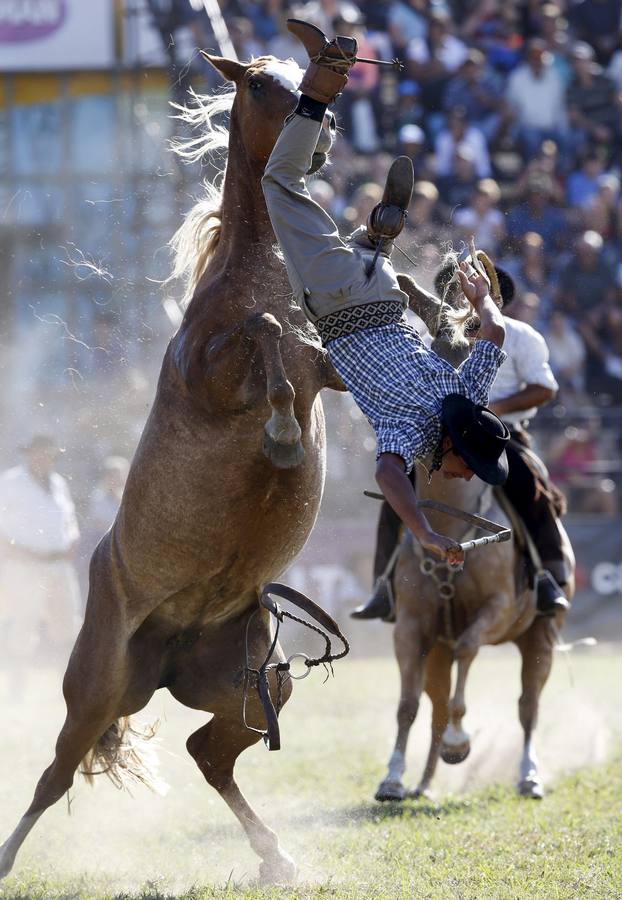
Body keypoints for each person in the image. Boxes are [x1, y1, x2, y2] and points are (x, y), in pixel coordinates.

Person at [262, 19, 509, 569]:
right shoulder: (412, 428)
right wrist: (421, 530)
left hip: (385, 287)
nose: (466, 473)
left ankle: (375, 236)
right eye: (470, 464)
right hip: (340, 300)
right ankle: (322, 85)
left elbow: (494, 331)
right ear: (453, 446)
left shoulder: (469, 393)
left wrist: (478, 296)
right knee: (279, 181)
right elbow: (386, 474)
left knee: (357, 252)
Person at [352, 267, 570, 621]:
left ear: (495, 299)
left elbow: (544, 388)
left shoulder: (522, 335)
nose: (455, 302)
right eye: (450, 295)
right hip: (440, 432)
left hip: (500, 433)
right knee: (399, 490)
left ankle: (549, 573)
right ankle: (384, 584)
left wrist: (490, 411)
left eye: (461, 294)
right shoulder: (434, 338)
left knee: (528, 483)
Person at [0, 435, 81, 692]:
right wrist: (16, 551)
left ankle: (67, 685)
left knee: (67, 623)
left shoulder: (58, 483)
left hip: (59, 564)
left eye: (49, 454)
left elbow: (68, 519)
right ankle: (17, 685)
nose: (44, 458)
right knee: (24, 622)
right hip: (25, 565)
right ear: (29, 454)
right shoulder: (12, 482)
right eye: (39, 453)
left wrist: (72, 540)